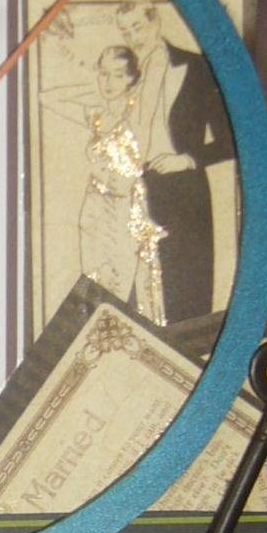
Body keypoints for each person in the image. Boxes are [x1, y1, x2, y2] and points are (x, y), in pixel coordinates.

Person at [113, 0, 233, 321]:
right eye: (126, 31)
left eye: (138, 27)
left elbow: (231, 139)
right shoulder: (123, 75)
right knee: (137, 296)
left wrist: (187, 159)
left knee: (185, 298)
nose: (133, 37)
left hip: (183, 191)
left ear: (156, 22)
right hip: (135, 192)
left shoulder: (197, 67)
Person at [42, 45, 168, 324]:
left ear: (132, 79)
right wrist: (92, 88)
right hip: (93, 210)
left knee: (119, 290)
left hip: (124, 212)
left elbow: (158, 63)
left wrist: (120, 89)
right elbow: (47, 97)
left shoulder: (139, 116)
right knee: (93, 288)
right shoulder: (97, 117)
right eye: (104, 74)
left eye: (118, 75)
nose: (109, 82)